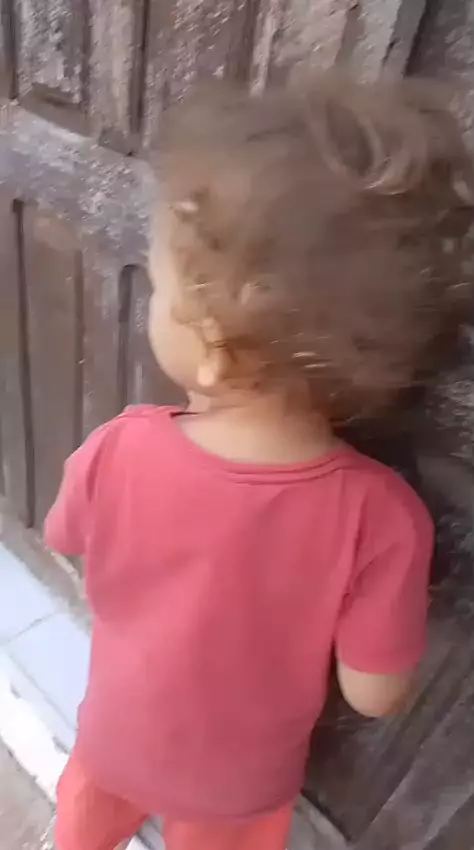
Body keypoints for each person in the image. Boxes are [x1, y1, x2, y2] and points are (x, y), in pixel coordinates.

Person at [45, 74, 473, 850]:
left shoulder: (122, 446)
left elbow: (63, 536)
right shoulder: (384, 517)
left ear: (210, 345)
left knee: (82, 827)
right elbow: (374, 693)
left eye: (161, 286)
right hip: (239, 787)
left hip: (116, 734)